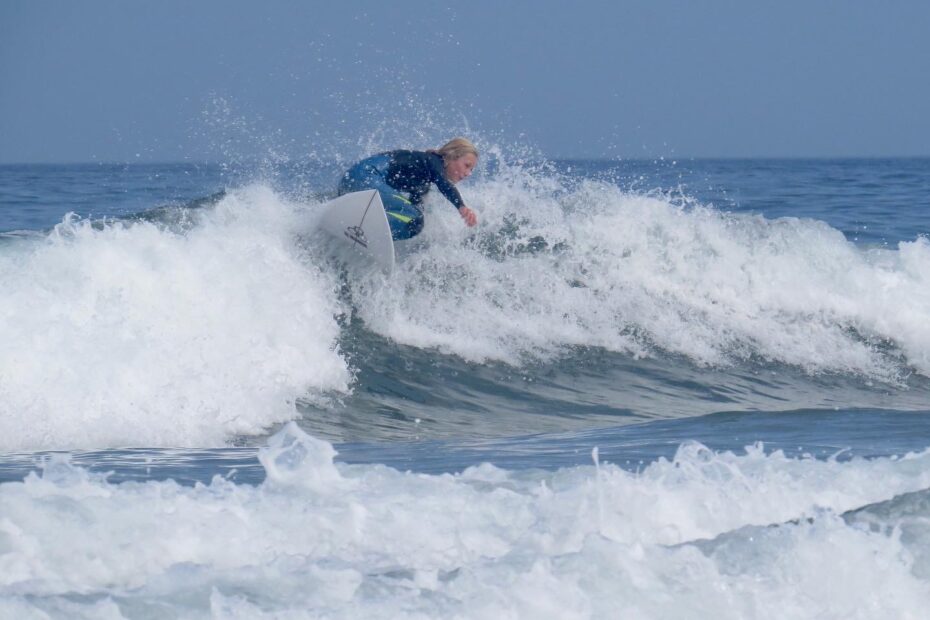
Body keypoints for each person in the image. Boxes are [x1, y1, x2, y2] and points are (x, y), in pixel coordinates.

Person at [337, 137, 479, 240]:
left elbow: (415, 206)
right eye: (467, 166)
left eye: (471, 170)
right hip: (366, 177)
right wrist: (461, 207)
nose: (468, 174)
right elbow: (444, 185)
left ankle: (356, 224)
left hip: (350, 180)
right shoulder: (432, 161)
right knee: (415, 220)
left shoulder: (423, 176)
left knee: (414, 221)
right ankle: (364, 230)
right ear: (452, 156)